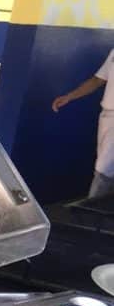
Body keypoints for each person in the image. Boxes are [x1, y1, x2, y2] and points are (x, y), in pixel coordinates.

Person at [52, 48, 114, 198]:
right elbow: (98, 80)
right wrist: (70, 96)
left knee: (103, 170)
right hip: (106, 115)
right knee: (106, 168)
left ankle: (91, 212)